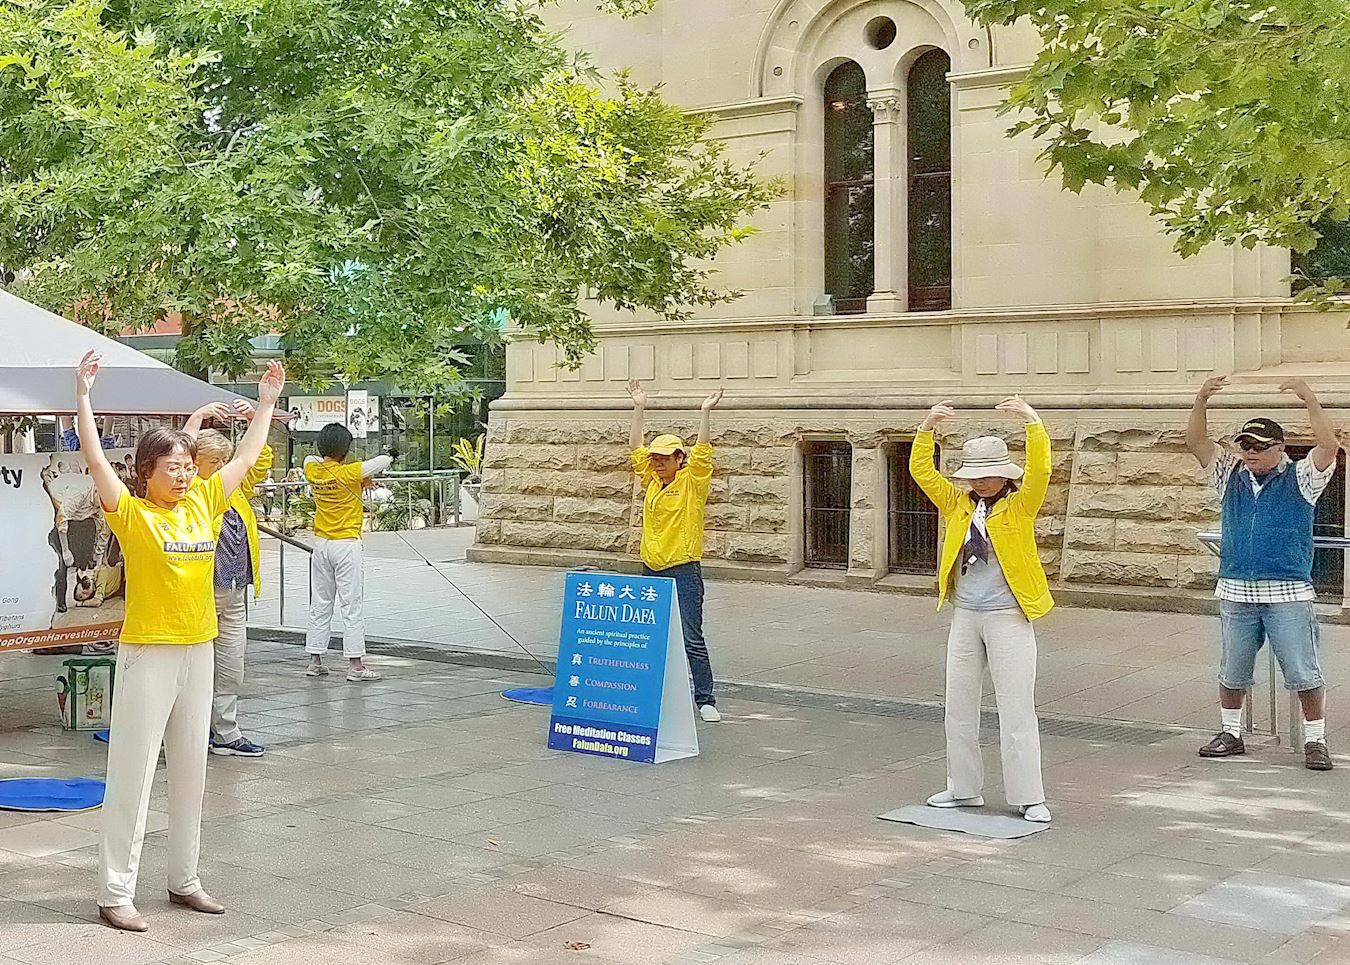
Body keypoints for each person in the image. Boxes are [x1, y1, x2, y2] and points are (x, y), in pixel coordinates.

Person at [76, 350, 285, 932]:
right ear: (147, 472)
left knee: (193, 767)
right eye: (172, 467)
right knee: (134, 770)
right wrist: (85, 398)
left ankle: (184, 880)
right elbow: (95, 461)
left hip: (200, 647)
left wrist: (265, 403)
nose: (184, 473)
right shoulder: (132, 514)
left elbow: (244, 456)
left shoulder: (203, 503)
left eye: (187, 466)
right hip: (149, 651)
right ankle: (114, 892)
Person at [910, 396, 1054, 824]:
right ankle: (963, 788)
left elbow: (1042, 470)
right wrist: (926, 427)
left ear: (1004, 474)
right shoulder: (958, 504)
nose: (984, 482)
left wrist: (1032, 422)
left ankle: (1029, 796)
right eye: (976, 475)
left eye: (991, 474)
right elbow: (921, 472)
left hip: (1008, 615)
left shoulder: (1020, 503)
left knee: (1015, 706)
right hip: (965, 615)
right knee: (958, 704)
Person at [1187, 376, 1339, 771]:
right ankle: (1231, 732)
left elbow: (1328, 446)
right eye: (1245, 445)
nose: (1250, 452)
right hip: (1237, 587)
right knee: (1233, 669)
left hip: (1287, 589)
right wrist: (1201, 398)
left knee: (1304, 672)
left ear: (1279, 448)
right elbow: (1197, 444)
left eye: (1259, 447)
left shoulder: (1302, 477)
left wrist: (1309, 398)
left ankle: (1316, 740)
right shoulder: (1230, 475)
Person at [625, 379, 724, 723]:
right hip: (651, 567)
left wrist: (705, 413)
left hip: (682, 568)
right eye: (655, 458)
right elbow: (634, 449)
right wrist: (639, 407)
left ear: (679, 459)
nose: (656, 463)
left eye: (664, 458)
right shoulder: (652, 480)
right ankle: (655, 693)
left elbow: (704, 451)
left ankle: (705, 699)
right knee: (651, 637)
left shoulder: (692, 482)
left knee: (691, 636)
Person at [184, 400, 274, 758]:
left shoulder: (234, 489)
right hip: (202, 593)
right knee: (196, 668)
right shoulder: (191, 493)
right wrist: (195, 418)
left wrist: (256, 417)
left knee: (231, 666)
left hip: (234, 591)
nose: (222, 467)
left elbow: (258, 459)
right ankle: (193, 730)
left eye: (225, 461)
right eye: (215, 462)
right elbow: (182, 454)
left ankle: (225, 730)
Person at [302, 424, 394, 680]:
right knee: (350, 605)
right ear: (346, 450)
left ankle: (315, 660)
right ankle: (355, 665)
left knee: (320, 602)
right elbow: (383, 460)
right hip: (346, 544)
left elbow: (310, 458)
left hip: (321, 544)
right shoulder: (349, 472)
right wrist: (360, 475)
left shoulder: (313, 469)